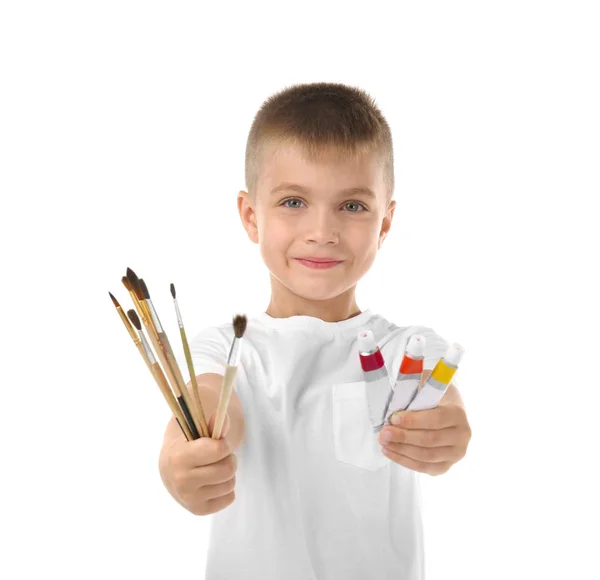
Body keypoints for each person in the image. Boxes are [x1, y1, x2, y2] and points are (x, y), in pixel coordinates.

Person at [158, 81, 472, 579]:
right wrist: (182, 457)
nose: (322, 231)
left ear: (385, 224)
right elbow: (207, 402)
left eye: (352, 206)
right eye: (293, 202)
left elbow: (444, 402)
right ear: (250, 215)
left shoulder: (403, 349)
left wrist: (445, 433)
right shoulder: (225, 346)